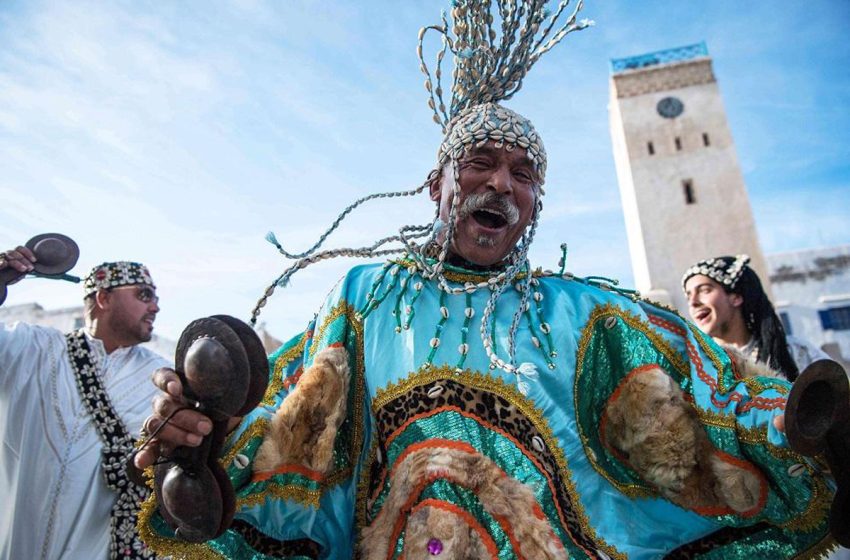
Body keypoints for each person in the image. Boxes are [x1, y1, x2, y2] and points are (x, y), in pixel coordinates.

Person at [135, 2, 837, 558]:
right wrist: (207, 433)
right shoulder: (366, 298)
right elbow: (293, 436)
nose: (501, 182)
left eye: (524, 173)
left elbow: (708, 399)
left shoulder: (583, 315)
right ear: (435, 186)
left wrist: (805, 427)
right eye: (480, 162)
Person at [0, 249, 169, 560]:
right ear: (104, 298)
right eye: (144, 295)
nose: (155, 307)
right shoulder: (31, 349)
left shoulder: (162, 377)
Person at [683, 254, 829, 381]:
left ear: (736, 297)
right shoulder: (694, 369)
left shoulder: (796, 353)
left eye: (704, 290)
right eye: (688, 296)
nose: (693, 302)